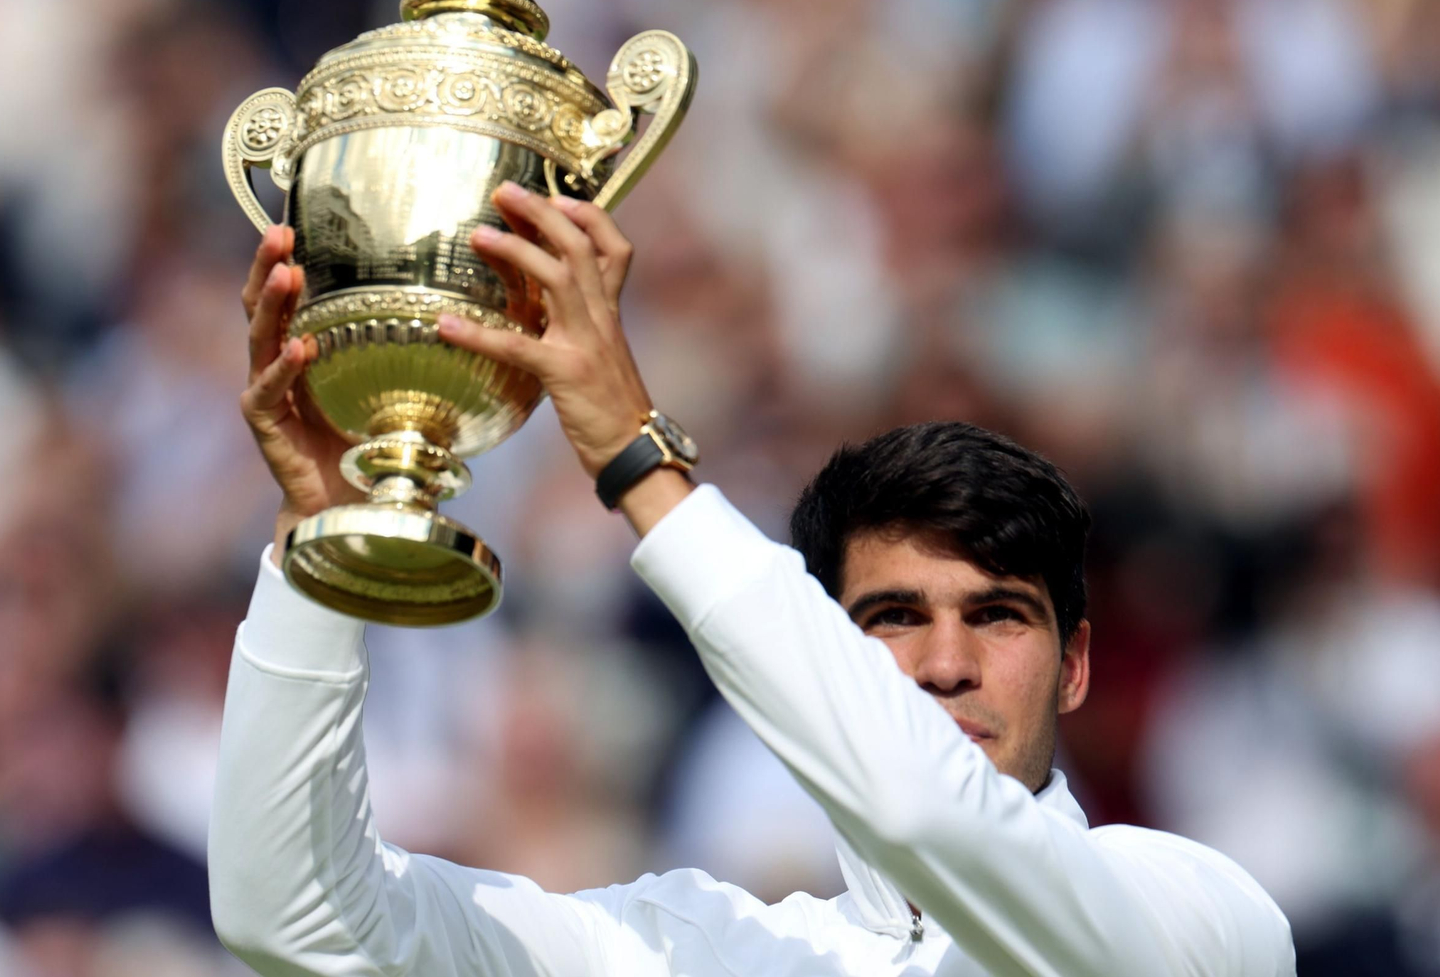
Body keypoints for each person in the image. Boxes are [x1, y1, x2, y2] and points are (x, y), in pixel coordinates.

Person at [209, 182, 1296, 977]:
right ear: (824, 639)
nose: (946, 663)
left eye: (998, 616)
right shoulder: (709, 946)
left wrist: (640, 465)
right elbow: (300, 918)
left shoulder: (1200, 913)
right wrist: (319, 542)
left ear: (1075, 664)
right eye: (893, 616)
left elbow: (924, 812)